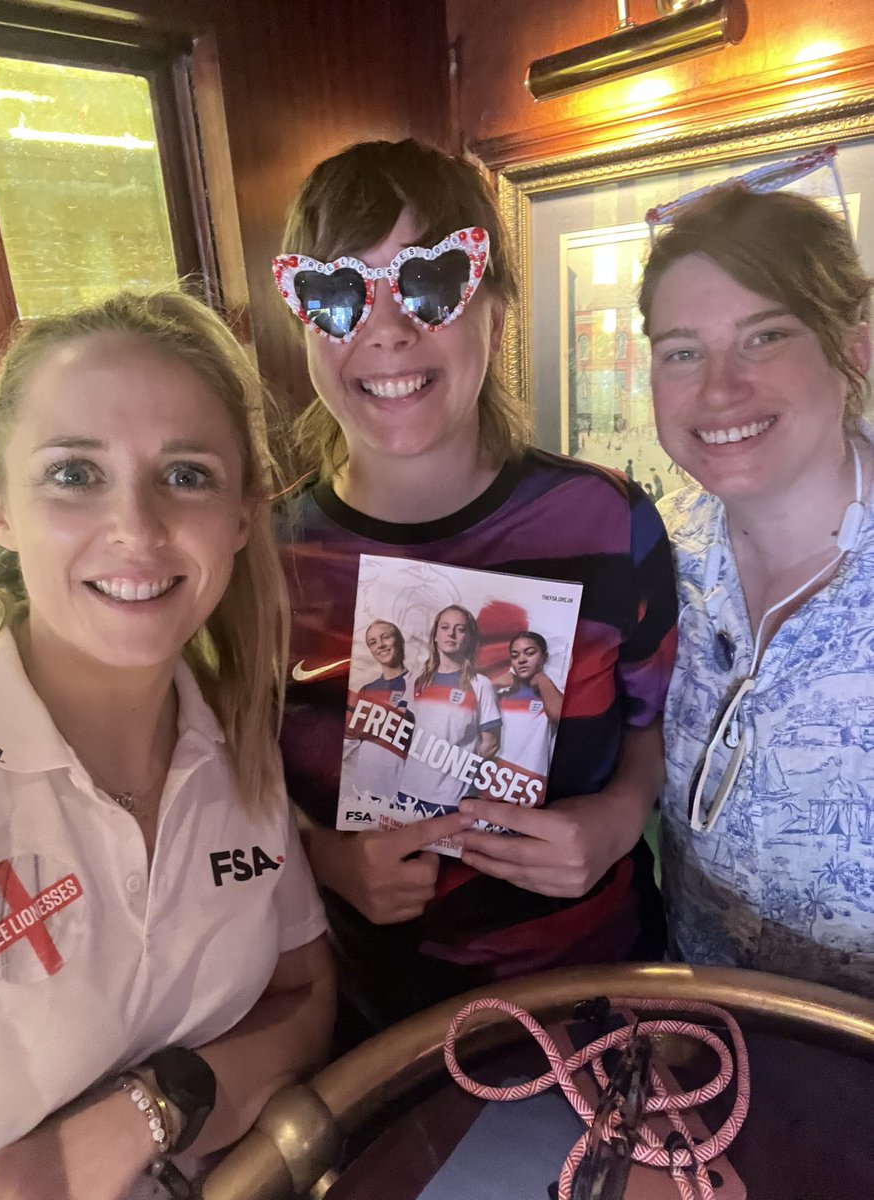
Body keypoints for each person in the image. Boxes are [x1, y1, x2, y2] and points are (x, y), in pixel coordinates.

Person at [275, 137, 677, 1034]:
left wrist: (616, 817)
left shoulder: (608, 524)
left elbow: (654, 729)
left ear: (494, 305)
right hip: (372, 1029)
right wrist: (325, 860)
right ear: (303, 321)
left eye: (430, 283)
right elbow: (225, 802)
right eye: (337, 294)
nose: (385, 329)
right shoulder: (258, 565)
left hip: (598, 1002)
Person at [0, 291, 334, 1198]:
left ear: (244, 515)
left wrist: (150, 1109)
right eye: (74, 475)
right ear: (0, 509)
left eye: (185, 476)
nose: (136, 528)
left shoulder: (239, 736)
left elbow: (304, 998)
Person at [641, 182, 874, 997]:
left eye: (764, 336)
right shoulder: (649, 551)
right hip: (698, 1052)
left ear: (854, 349)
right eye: (682, 351)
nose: (720, 389)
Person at [397, 605, 500, 814]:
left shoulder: (481, 685)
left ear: (469, 639)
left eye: (460, 629)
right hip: (407, 791)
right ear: (435, 636)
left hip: (451, 799)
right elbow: (401, 728)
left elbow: (490, 743)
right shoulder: (418, 679)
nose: (451, 633)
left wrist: (457, 773)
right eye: (445, 627)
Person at [345, 618, 411, 801]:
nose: (380, 645)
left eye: (385, 637)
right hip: (364, 791)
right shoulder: (366, 690)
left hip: (399, 791)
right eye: (373, 642)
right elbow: (351, 738)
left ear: (399, 640)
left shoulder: (418, 684)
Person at [492, 631, 563, 797]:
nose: (521, 660)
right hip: (492, 779)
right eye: (515, 655)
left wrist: (542, 679)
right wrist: (493, 684)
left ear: (544, 657)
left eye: (530, 653)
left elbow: (560, 717)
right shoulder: (502, 694)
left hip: (529, 788)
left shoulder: (551, 693)